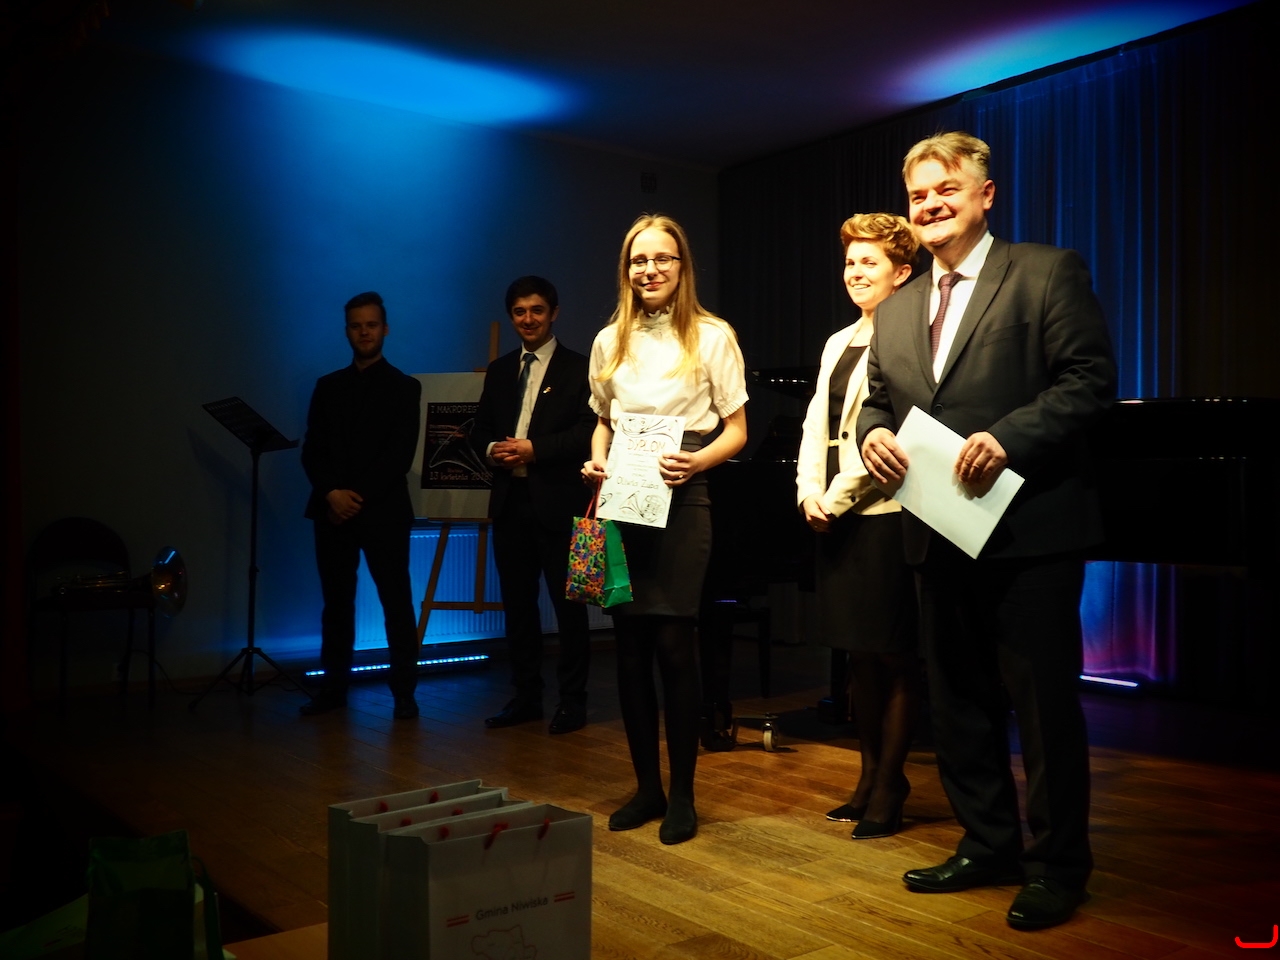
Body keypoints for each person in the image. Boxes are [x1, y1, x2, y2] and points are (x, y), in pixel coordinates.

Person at [858, 132, 1116, 930]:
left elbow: (1090, 380)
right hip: (935, 531)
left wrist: (1008, 439)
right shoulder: (896, 306)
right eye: (919, 195)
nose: (931, 204)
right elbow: (878, 399)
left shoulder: (1046, 271)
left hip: (1030, 531)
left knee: (1043, 707)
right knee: (958, 701)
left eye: (946, 189)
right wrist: (872, 435)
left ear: (985, 195)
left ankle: (1059, 865)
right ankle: (987, 844)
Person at [582, 214, 748, 845]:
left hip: (683, 493)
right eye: (638, 260)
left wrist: (698, 462)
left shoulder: (712, 336)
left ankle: (683, 795)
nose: (649, 270)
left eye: (662, 259)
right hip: (623, 497)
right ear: (626, 270)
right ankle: (646, 788)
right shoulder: (608, 341)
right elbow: (603, 422)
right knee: (628, 651)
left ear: (682, 267)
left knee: (676, 647)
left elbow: (736, 430)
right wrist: (597, 459)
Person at [796, 213, 920, 840]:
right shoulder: (836, 341)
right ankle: (869, 777)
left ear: (902, 273)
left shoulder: (912, 338)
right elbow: (814, 425)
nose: (855, 272)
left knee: (893, 657)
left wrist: (838, 497)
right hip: (836, 513)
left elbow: (893, 437)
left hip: (884, 514)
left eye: (869, 262)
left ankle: (891, 783)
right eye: (850, 262)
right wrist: (807, 493)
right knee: (859, 660)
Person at [473, 276, 597, 734]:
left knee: (570, 611)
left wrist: (534, 450)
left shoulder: (580, 368)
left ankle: (573, 702)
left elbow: (588, 432)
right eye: (520, 312)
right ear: (511, 317)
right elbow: (479, 430)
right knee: (519, 608)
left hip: (561, 505)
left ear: (554, 313)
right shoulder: (500, 370)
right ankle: (526, 697)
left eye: (537, 310)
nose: (528, 319)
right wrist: (495, 451)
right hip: (510, 503)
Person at [300, 291, 423, 720]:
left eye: (371, 325)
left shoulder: (405, 387)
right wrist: (331, 493)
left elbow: (398, 456)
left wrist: (352, 496)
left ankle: (404, 693)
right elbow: (312, 450)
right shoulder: (327, 386)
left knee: (396, 602)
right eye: (356, 325)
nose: (364, 332)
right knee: (335, 605)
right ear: (347, 331)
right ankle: (333, 689)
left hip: (383, 511)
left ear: (384, 329)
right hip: (331, 511)